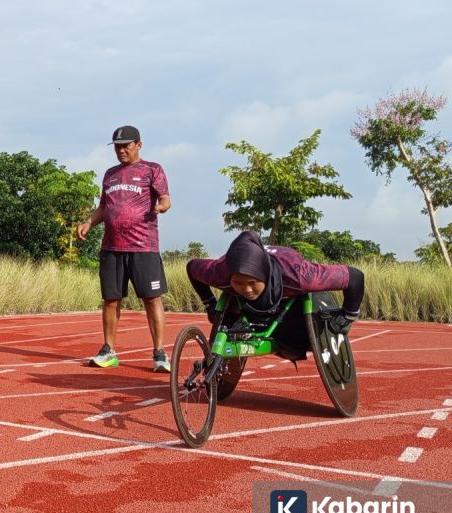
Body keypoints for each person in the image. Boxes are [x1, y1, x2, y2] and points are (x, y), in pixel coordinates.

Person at [77, 125, 172, 372]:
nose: (121, 150)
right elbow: (103, 207)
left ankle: (160, 354)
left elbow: (165, 199)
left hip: (143, 246)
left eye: (126, 145)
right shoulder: (110, 174)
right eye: (118, 146)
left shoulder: (153, 169)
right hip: (111, 247)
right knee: (111, 299)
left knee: (151, 299)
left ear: (139, 144)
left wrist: (160, 207)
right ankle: (108, 350)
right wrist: (89, 222)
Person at [186, 231, 365, 358]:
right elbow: (191, 267)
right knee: (233, 303)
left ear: (263, 275)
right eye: (238, 283)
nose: (247, 289)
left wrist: (348, 316)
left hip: (286, 278)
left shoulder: (301, 276)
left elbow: (355, 277)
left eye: (252, 283)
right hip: (242, 277)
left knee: (297, 333)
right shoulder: (218, 272)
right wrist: (210, 303)